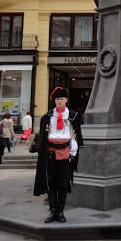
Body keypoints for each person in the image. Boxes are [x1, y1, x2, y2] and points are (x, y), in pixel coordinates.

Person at [34, 87, 83, 223]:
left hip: (65, 153)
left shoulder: (72, 116)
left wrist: (73, 153)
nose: (59, 101)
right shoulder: (48, 115)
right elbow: (44, 135)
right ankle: (52, 210)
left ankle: (61, 211)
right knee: (51, 183)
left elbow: (75, 135)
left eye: (62, 99)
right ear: (54, 101)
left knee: (63, 184)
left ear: (66, 100)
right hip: (50, 153)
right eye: (57, 99)